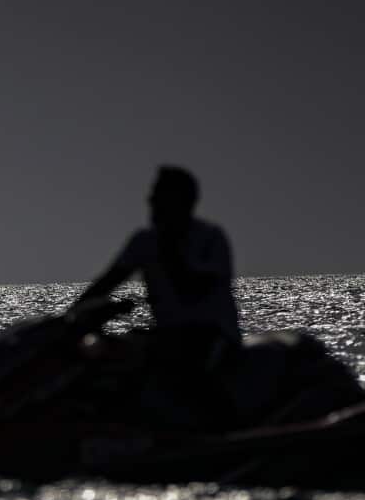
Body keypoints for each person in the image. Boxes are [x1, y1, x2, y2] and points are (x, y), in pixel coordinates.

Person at [74, 165, 241, 426]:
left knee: (182, 363)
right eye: (153, 195)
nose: (150, 201)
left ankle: (226, 429)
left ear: (182, 201)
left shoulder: (209, 238)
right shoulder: (144, 241)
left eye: (159, 195)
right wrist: (69, 319)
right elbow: (107, 282)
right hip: (169, 335)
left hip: (211, 335)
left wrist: (168, 247)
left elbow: (192, 289)